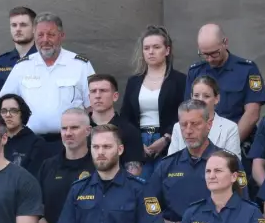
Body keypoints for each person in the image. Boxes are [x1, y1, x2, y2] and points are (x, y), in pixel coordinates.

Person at [0, 12, 94, 136]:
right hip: (31, 142)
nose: (45, 40)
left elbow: (92, 107)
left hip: (70, 140)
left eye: (51, 35)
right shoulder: (22, 66)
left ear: (62, 36)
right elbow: (4, 104)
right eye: (40, 35)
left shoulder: (80, 65)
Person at [186, 23, 265, 141]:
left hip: (237, 139)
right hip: (202, 141)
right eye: (204, 54)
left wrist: (230, 143)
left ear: (225, 43)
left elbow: (252, 113)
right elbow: (189, 110)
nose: (209, 59)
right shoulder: (195, 71)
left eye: (214, 53)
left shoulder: (247, 69)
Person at [122, 25, 186, 162]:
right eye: (146, 48)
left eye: (156, 47)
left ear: (167, 50)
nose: (151, 52)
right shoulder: (134, 82)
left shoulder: (180, 80)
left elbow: (183, 114)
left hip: (168, 138)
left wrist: (166, 138)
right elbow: (126, 116)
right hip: (139, 140)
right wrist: (137, 141)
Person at [168, 75, 241, 156]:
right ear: (191, 97)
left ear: (217, 99)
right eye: (196, 95)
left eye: (206, 96)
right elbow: (171, 162)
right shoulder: (178, 127)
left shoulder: (230, 128)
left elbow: (233, 164)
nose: (200, 100)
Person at [87, 75, 145, 175]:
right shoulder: (79, 129)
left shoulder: (129, 130)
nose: (97, 95)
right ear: (89, 97)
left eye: (103, 90)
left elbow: (133, 175)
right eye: (93, 91)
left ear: (115, 96)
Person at [0, 6, 38, 98]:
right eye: (14, 25)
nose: (18, 29)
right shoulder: (0, 63)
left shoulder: (44, 60)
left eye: (23, 25)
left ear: (34, 28)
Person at [0, 94, 49, 173]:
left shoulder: (36, 143)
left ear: (22, 113)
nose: (8, 115)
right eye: (3, 111)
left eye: (13, 111)